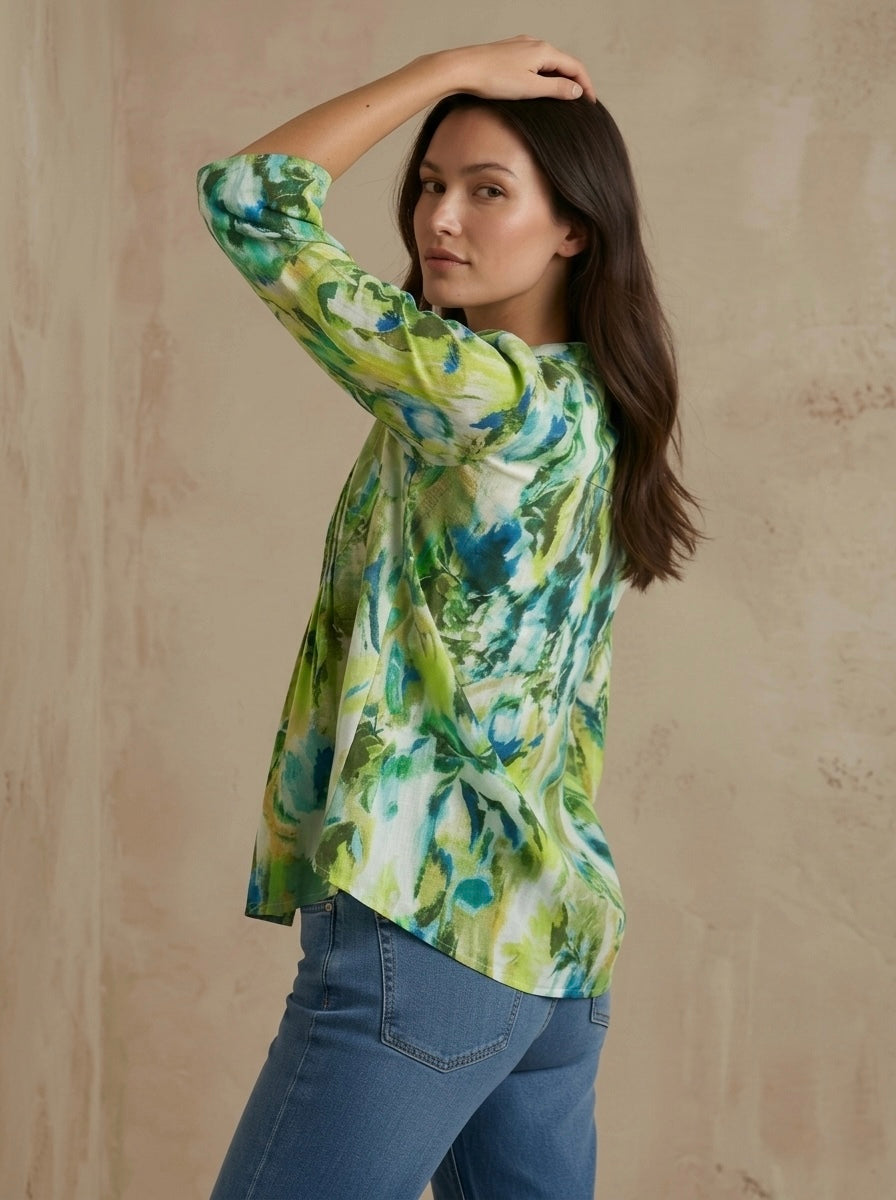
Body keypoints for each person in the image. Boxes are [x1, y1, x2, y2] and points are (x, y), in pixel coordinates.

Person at [197, 34, 700, 1200]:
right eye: (429, 184)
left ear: (572, 228)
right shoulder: (588, 406)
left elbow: (250, 200)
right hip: (549, 948)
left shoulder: (483, 397)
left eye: (486, 191)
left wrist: (443, 70)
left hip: (428, 932)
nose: (439, 218)